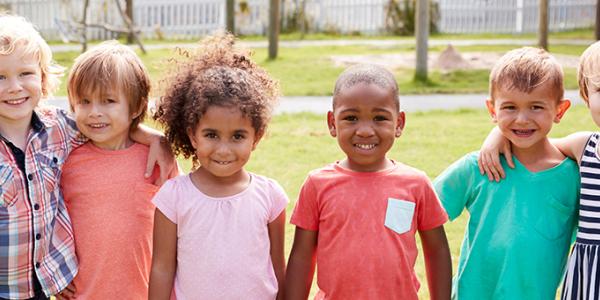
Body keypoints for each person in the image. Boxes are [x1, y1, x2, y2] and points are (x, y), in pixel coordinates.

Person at [0, 14, 175, 300]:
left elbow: (109, 126)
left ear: (43, 79)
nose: (14, 87)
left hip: (43, 289)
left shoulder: (58, 130)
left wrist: (153, 137)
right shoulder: (69, 141)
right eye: (0, 77)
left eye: (25, 74)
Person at [284, 64, 452, 300]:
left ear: (399, 123)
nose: (364, 130)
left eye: (379, 118)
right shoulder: (317, 184)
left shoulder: (416, 184)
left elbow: (437, 250)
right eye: (351, 118)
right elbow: (301, 256)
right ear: (332, 123)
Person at [148, 33, 288, 300]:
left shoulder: (271, 197)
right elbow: (162, 269)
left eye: (237, 136)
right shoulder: (173, 198)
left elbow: (277, 267)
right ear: (192, 135)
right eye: (211, 135)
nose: (224, 150)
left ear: (255, 138)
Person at [435, 47, 578, 299]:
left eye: (536, 107)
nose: (522, 119)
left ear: (559, 110)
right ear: (492, 110)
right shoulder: (477, 167)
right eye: (510, 107)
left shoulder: (573, 178)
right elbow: (424, 209)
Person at [478, 42, 600, 300]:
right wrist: (498, 134)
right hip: (588, 281)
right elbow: (535, 145)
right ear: (586, 96)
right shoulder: (585, 147)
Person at [55, 41, 160, 299]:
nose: (94, 113)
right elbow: (46, 223)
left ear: (136, 106)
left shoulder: (157, 161)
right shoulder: (65, 162)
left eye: (108, 101)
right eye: (84, 101)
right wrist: (54, 275)